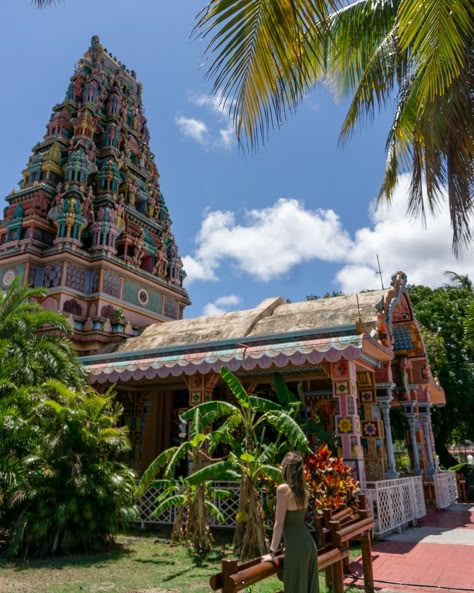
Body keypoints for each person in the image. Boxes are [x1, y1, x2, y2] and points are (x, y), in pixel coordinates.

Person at [263, 452, 319, 593]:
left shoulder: (283, 490)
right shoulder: (304, 491)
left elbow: (279, 523)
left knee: (295, 587)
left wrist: (272, 552)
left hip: (296, 547)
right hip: (309, 545)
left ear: (286, 468)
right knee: (309, 587)